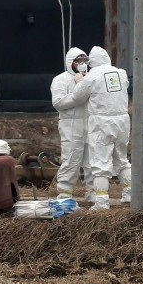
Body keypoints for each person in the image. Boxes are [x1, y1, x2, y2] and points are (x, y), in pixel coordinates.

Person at [69, 46, 131, 211]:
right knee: (122, 159)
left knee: (100, 163)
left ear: (92, 61)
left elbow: (77, 96)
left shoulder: (92, 75)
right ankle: (130, 193)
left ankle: (102, 202)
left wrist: (79, 81)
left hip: (101, 122)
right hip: (122, 121)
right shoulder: (121, 73)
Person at [50, 47, 91, 201]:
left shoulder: (91, 78)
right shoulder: (60, 79)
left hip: (91, 122)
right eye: (78, 60)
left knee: (92, 160)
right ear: (70, 62)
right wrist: (77, 96)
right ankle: (65, 192)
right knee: (71, 158)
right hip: (71, 124)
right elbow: (58, 102)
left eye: (85, 60)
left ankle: (94, 192)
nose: (82, 63)